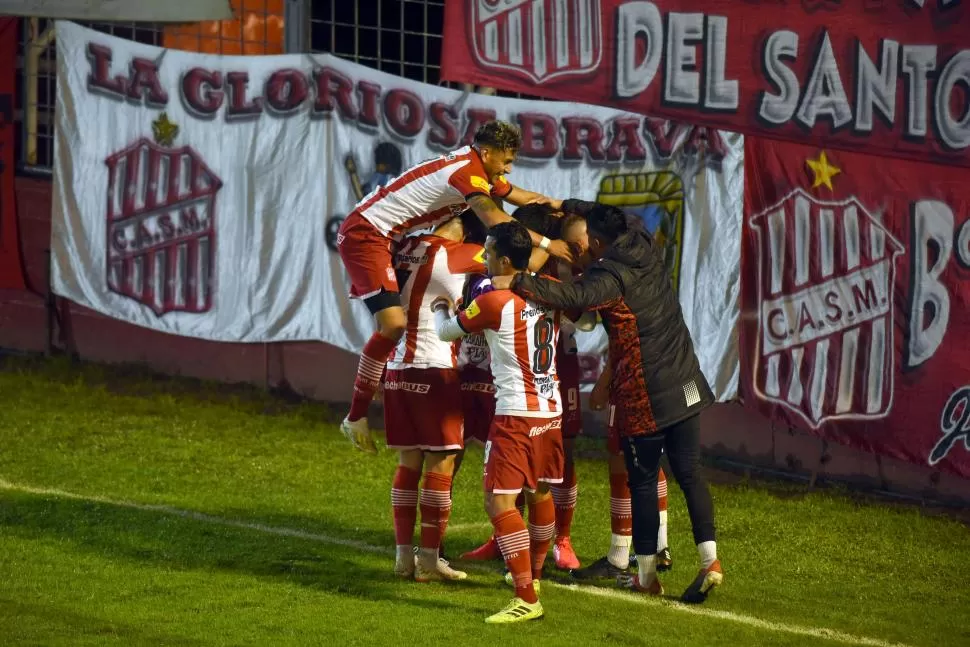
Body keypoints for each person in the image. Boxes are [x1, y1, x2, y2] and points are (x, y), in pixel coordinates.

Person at [490, 203, 722, 603]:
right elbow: (602, 214)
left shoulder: (607, 276)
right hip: (687, 378)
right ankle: (711, 560)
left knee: (644, 481)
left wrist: (517, 281)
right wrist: (566, 207)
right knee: (691, 472)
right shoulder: (643, 242)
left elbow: (571, 294)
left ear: (596, 242)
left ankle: (646, 575)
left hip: (647, 390)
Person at [337, 120, 572, 454]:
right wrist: (549, 243)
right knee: (393, 323)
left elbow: (524, 197)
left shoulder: (478, 168)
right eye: (505, 161)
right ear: (486, 152)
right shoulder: (466, 174)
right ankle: (355, 415)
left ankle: (374, 380)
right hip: (367, 234)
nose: (508, 168)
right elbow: (497, 222)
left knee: (393, 321)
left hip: (388, 237)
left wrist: (566, 206)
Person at [434, 221, 564, 623]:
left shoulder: (494, 301)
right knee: (540, 493)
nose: (483, 259)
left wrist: (440, 303)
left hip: (516, 415)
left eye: (488, 253)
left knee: (498, 500)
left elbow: (444, 332)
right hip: (551, 409)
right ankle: (534, 578)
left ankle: (527, 597)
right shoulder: (548, 291)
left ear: (504, 259)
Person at [460, 203, 583, 569]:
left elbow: (451, 325)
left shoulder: (510, 290)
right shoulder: (543, 287)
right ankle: (526, 556)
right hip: (544, 401)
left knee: (521, 485)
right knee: (533, 483)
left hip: (529, 398)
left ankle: (546, 559)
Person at [555, 211, 674, 581]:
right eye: (575, 246)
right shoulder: (637, 265)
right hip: (656, 369)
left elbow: (612, 327)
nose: (581, 250)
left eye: (583, 244)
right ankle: (657, 546)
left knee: (626, 458)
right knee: (641, 458)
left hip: (641, 375)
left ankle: (625, 555)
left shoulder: (613, 273)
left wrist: (606, 380)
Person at [385, 211, 487, 582]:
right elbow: (514, 260)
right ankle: (428, 560)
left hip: (397, 368)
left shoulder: (405, 245)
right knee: (442, 464)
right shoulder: (464, 253)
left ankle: (402, 557)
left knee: (408, 462)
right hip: (435, 367)